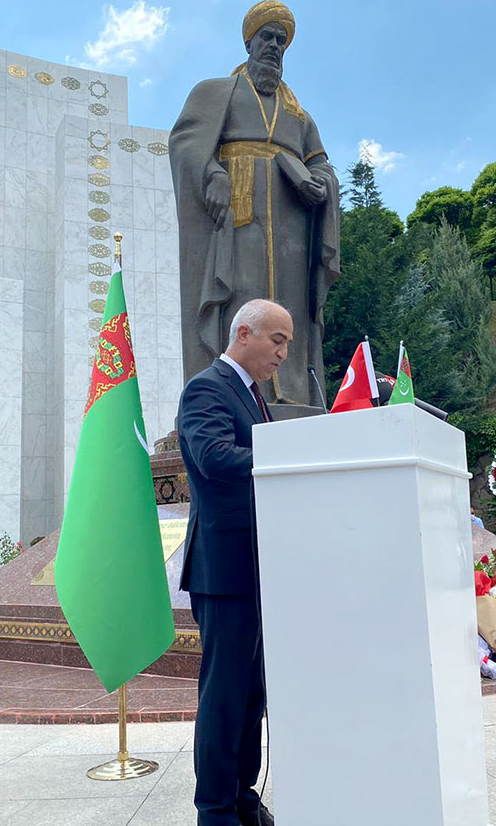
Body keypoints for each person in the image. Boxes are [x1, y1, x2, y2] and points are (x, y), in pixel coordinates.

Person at [170, 0, 339, 407]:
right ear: (250, 41)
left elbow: (322, 164)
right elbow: (186, 142)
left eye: (281, 41)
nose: (274, 46)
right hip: (238, 217)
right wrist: (211, 174)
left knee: (289, 308)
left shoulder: (299, 115)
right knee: (241, 299)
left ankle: (292, 394)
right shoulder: (216, 93)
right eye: (267, 37)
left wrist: (320, 184)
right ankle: (235, 393)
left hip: (292, 224)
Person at [177, 299, 293, 826]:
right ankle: (216, 811)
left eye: (288, 341)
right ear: (243, 333)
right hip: (225, 571)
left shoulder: (254, 397)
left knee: (252, 694)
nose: (284, 353)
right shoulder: (207, 388)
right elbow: (214, 457)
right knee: (224, 697)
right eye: (277, 340)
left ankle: (242, 795)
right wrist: (296, 455)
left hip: (260, 566)